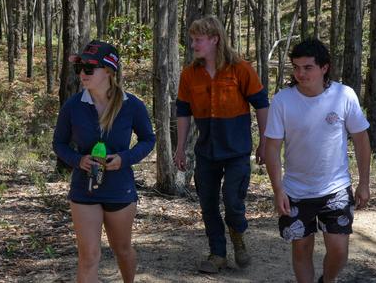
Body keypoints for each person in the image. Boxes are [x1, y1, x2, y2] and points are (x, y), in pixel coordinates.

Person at [263, 39, 371, 283]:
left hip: (336, 189)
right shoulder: (282, 100)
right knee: (301, 249)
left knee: (339, 251)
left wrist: (364, 182)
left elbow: (362, 140)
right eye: (296, 67)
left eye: (308, 67)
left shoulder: (344, 95)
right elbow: (272, 147)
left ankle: (327, 280)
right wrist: (278, 189)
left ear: (324, 68)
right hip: (295, 191)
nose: (301, 73)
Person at [53, 40, 155, 283]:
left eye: (89, 68)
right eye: (79, 68)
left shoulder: (132, 105)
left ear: (109, 71)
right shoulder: (73, 106)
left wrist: (124, 158)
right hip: (83, 190)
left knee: (123, 250)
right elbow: (59, 144)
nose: (82, 74)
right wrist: (79, 160)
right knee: (88, 256)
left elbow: (148, 140)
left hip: (120, 189)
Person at [174, 16, 269, 273]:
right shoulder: (189, 75)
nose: (193, 44)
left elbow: (261, 104)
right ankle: (217, 254)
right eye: (192, 39)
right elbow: (183, 112)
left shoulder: (240, 69)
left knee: (232, 199)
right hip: (205, 152)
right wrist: (180, 147)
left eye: (198, 39)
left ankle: (237, 236)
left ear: (215, 39)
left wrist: (264, 142)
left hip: (237, 150)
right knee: (208, 204)